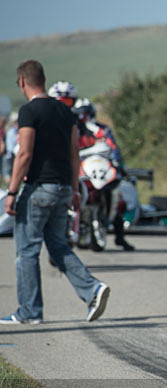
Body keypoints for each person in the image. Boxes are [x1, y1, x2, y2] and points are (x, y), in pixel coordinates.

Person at [1, 61, 110, 324]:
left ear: (22, 82)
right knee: (58, 245)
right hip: (62, 188)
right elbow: (74, 154)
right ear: (43, 79)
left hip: (39, 187)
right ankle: (92, 289)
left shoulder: (29, 112)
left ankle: (30, 312)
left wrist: (12, 192)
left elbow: (24, 153)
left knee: (26, 251)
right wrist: (74, 189)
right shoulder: (65, 112)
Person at [73, 98, 135, 251]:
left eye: (86, 113)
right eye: (81, 114)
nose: (84, 117)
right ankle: (76, 231)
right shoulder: (75, 130)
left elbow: (113, 149)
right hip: (84, 171)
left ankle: (120, 237)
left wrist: (118, 165)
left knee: (118, 200)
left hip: (102, 171)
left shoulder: (103, 130)